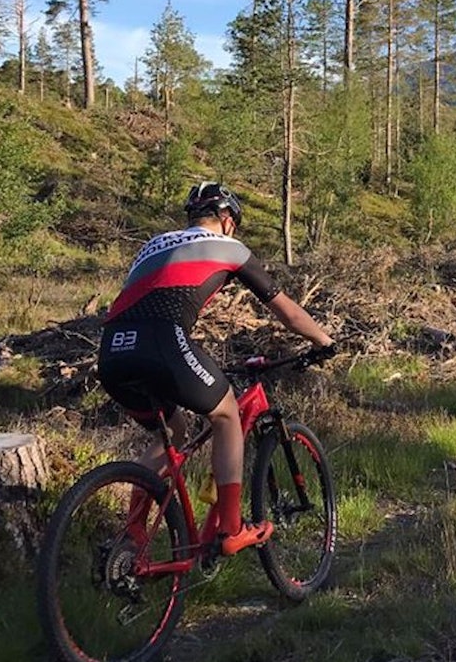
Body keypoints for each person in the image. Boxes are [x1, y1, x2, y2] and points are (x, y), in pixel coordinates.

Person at [97, 181, 334, 556]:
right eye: (234, 224)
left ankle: (133, 534)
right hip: (162, 341)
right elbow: (286, 311)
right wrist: (323, 341)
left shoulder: (153, 244)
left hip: (112, 350)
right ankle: (230, 528)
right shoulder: (230, 248)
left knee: (171, 432)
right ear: (226, 220)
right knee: (225, 415)